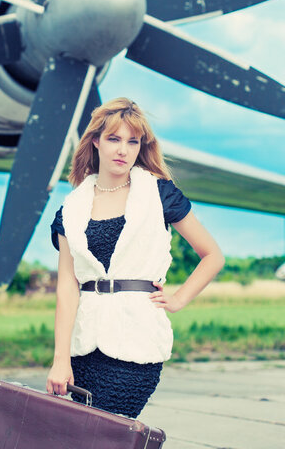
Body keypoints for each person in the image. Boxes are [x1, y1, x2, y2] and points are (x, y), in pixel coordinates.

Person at [46, 97, 224, 418]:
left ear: (141, 147)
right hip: (85, 347)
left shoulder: (159, 194)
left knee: (108, 434)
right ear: (96, 142)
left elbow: (212, 255)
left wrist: (180, 298)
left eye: (132, 141)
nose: (122, 150)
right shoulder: (69, 211)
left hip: (137, 344)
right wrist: (61, 360)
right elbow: (67, 289)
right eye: (114, 139)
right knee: (90, 438)